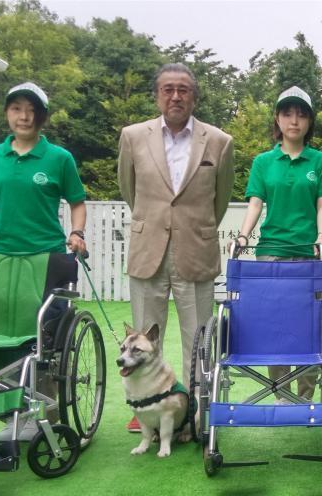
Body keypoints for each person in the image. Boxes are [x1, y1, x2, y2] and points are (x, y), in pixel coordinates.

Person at [0, 82, 88, 441]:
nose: (24, 115)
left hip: (45, 256)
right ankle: (11, 405)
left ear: (42, 117)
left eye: (31, 110)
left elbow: (77, 202)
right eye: (16, 108)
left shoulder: (58, 158)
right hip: (0, 255)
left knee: (40, 335)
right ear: (7, 113)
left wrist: (76, 233)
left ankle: (42, 410)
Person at [117, 63, 234, 432]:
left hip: (195, 250)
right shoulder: (133, 136)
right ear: (157, 95)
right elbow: (129, 190)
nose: (176, 96)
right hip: (147, 247)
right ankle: (147, 410)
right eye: (168, 89)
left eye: (183, 89)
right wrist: (154, 221)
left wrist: (191, 227)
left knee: (197, 338)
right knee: (142, 340)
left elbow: (221, 199)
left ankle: (194, 414)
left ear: (194, 96)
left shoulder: (219, 141)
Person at [236, 86, 322, 403]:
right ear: (277, 120)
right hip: (271, 252)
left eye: (301, 114)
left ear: (309, 122)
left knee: (308, 325)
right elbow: (255, 203)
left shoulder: (320, 161)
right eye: (287, 113)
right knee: (274, 324)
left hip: (309, 255)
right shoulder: (264, 162)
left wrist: (321, 237)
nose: (294, 120)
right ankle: (281, 392)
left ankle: (305, 396)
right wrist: (242, 236)